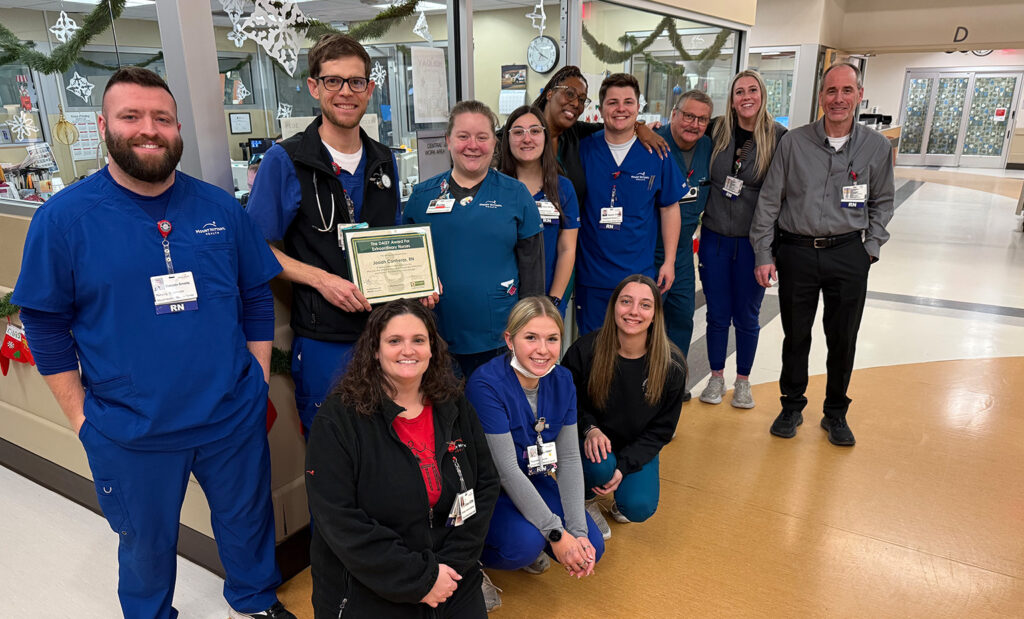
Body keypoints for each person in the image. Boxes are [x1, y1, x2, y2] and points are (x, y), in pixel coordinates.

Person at [12, 67, 294, 619]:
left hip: (229, 417)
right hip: (131, 427)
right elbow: (44, 327)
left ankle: (254, 601)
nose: (149, 129)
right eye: (132, 116)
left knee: (248, 522)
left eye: (161, 118)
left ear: (178, 127)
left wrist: (256, 378)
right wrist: (81, 420)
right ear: (104, 126)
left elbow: (256, 298)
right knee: (143, 544)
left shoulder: (219, 209)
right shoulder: (64, 220)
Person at [247, 34, 415, 438]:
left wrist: (418, 279)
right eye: (333, 81)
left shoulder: (384, 160)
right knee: (332, 451)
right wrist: (321, 279)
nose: (346, 92)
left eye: (356, 82)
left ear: (370, 90)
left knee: (391, 444)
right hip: (326, 339)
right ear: (314, 87)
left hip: (386, 332)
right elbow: (255, 247)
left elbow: (392, 237)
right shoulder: (285, 161)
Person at [305, 299, 500, 617]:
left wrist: (447, 569)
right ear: (375, 350)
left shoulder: (454, 404)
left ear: (432, 349)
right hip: (372, 579)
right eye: (394, 341)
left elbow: (486, 486)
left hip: (451, 571)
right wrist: (421, 579)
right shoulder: (338, 419)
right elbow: (339, 519)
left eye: (418, 340)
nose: (407, 350)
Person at [750, 62, 895, 446]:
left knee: (842, 337)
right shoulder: (794, 143)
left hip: (849, 253)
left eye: (847, 91)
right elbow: (769, 202)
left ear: (859, 95)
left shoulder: (876, 147)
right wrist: (763, 253)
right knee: (795, 336)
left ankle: (835, 413)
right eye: (831, 91)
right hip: (796, 252)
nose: (839, 99)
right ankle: (792, 406)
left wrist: (871, 247)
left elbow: (883, 201)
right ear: (820, 97)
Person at [466, 297, 603, 610]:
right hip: (489, 487)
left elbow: (568, 460)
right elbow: (506, 471)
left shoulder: (563, 380)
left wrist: (577, 533)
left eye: (552, 339)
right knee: (524, 546)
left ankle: (539, 530)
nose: (543, 349)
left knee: (592, 544)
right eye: (531, 337)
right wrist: (556, 533)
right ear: (509, 339)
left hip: (534, 476)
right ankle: (470, 562)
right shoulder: (486, 385)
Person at [404, 100, 544, 378]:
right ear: (448, 141)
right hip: (435, 340)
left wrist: (529, 335)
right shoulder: (421, 198)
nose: (473, 145)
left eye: (482, 137)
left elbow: (533, 277)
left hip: (499, 342)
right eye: (463, 136)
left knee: (492, 417)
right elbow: (406, 268)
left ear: (494, 142)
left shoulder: (516, 195)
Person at [563, 275, 687, 531]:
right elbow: (566, 402)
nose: (633, 312)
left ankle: (622, 493)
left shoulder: (671, 365)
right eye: (626, 301)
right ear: (613, 307)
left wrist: (624, 467)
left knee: (638, 506)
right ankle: (585, 499)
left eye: (645, 305)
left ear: (655, 314)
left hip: (636, 444)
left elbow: (661, 430)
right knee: (600, 468)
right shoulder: (585, 350)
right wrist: (589, 429)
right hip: (592, 442)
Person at [697, 70, 787, 410]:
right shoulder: (716, 129)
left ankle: (743, 381)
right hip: (715, 237)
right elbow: (681, 135)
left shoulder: (778, 137)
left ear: (762, 95)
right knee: (717, 313)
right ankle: (716, 376)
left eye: (752, 90)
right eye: (738, 91)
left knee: (747, 315)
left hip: (754, 244)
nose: (745, 97)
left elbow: (784, 196)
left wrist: (772, 250)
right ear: (731, 98)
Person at [575, 73, 684, 335]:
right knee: (592, 350)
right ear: (600, 109)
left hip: (638, 278)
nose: (621, 109)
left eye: (628, 102)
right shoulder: (583, 150)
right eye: (612, 102)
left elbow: (669, 208)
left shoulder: (657, 152)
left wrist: (669, 261)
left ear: (638, 108)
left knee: (634, 350)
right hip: (592, 276)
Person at [532, 66, 668, 213]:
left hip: (568, 232)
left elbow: (615, 123)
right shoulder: (518, 136)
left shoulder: (575, 133)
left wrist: (640, 127)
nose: (576, 104)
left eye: (582, 100)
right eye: (569, 94)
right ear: (550, 94)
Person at [654, 90, 714, 392]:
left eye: (702, 119)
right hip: (649, 250)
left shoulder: (708, 147)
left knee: (681, 317)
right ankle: (644, 385)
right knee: (646, 321)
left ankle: (672, 384)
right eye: (688, 115)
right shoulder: (652, 143)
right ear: (674, 114)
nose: (694, 123)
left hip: (681, 253)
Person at [498, 105, 579, 316]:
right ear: (507, 140)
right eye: (518, 132)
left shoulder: (563, 189)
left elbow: (567, 249)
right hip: (501, 303)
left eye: (535, 131)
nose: (527, 139)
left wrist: (554, 301)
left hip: (546, 303)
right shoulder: (494, 189)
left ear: (545, 136)